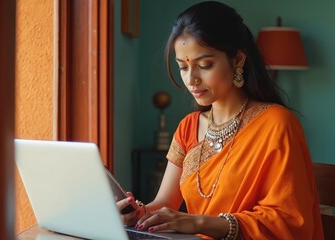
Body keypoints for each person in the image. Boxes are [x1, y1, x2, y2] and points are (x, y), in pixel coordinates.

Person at [118, 1, 324, 239]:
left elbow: (289, 221)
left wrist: (199, 223)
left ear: (238, 60)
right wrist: (138, 214)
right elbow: (165, 202)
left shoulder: (277, 124)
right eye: (183, 67)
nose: (191, 79)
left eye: (204, 65)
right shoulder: (188, 127)